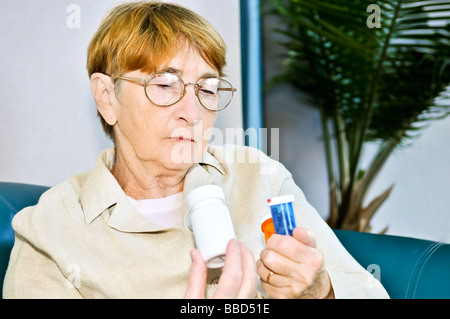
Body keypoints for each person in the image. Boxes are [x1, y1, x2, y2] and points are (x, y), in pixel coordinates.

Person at [3, 1, 389, 299]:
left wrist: (319, 290)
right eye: (165, 85)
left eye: (206, 89)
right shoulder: (50, 231)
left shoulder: (259, 176)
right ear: (107, 97)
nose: (192, 113)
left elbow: (369, 291)